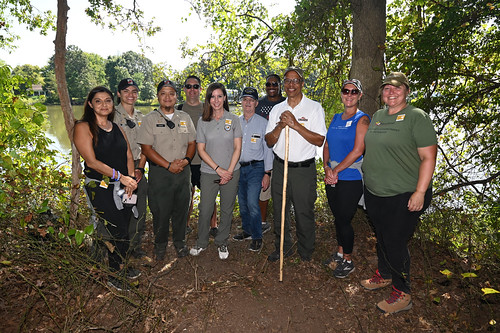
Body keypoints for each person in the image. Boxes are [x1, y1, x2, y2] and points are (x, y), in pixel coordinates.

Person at [360, 72, 437, 314]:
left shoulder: (417, 117)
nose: (391, 93)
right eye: (386, 89)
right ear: (381, 93)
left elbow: (428, 157)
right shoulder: (379, 117)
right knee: (382, 236)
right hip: (375, 192)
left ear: (406, 91)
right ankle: (384, 274)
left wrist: (420, 192)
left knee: (394, 241)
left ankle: (403, 292)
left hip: (404, 194)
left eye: (397, 88)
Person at [73, 86, 139, 291]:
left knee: (124, 228)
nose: (104, 105)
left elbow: (128, 154)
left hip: (124, 186)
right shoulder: (83, 127)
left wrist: (130, 181)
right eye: (98, 101)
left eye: (108, 100)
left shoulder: (117, 127)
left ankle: (120, 265)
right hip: (100, 187)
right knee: (115, 228)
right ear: (90, 104)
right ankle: (113, 274)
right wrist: (122, 178)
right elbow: (91, 162)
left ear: (113, 104)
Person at [265, 67, 327, 262]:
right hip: (280, 166)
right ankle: (283, 248)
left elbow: (319, 140)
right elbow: (269, 140)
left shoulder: (314, 107)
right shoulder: (277, 109)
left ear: (301, 84)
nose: (291, 85)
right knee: (279, 211)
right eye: (287, 81)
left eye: (295, 81)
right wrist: (281, 125)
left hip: (303, 169)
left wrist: (295, 125)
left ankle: (306, 251)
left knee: (303, 211)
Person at [137, 80, 196, 260]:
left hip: (183, 172)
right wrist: (168, 165)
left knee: (181, 210)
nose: (167, 97)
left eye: (171, 93)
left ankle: (180, 243)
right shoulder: (149, 120)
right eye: (163, 93)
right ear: (158, 96)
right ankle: (160, 245)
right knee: (160, 212)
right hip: (160, 174)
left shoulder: (185, 118)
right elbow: (146, 149)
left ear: (176, 96)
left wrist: (185, 161)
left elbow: (192, 143)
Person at [323, 79, 370, 278]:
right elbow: (326, 145)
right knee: (338, 218)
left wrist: (336, 171)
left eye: (354, 91)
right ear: (342, 94)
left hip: (350, 177)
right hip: (332, 175)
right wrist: (326, 168)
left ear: (360, 95)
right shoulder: (335, 118)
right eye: (346, 91)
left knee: (344, 219)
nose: (349, 95)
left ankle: (348, 261)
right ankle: (341, 253)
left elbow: (358, 149)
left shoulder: (363, 119)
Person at [189, 82, 242, 260]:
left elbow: (237, 148)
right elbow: (201, 150)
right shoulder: (203, 121)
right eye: (212, 96)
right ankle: (202, 241)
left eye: (220, 96)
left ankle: (222, 241)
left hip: (232, 172)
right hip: (209, 172)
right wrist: (219, 169)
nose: (216, 100)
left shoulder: (234, 119)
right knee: (205, 208)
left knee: (227, 209)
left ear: (225, 98)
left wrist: (229, 171)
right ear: (208, 99)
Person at [233, 87, 273, 252]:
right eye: (245, 99)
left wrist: (267, 173)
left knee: (252, 202)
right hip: (238, 168)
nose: (247, 103)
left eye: (251, 100)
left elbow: (268, 149)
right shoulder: (235, 122)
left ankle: (257, 236)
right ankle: (247, 230)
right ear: (241, 102)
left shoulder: (264, 123)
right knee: (242, 203)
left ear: (256, 103)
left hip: (257, 167)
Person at [114, 78, 149, 261]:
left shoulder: (142, 117)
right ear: (119, 93)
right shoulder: (110, 115)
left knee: (139, 207)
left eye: (134, 91)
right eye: (126, 91)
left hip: (138, 167)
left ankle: (134, 246)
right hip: (117, 169)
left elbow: (146, 146)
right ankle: (116, 247)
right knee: (119, 208)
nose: (131, 95)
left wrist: (140, 169)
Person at [179, 75, 218, 237]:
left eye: (196, 87)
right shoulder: (178, 110)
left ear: (201, 89)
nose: (192, 90)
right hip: (185, 161)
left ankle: (213, 226)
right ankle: (185, 224)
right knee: (186, 195)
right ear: (184, 90)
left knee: (209, 195)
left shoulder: (209, 109)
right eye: (189, 86)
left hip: (206, 161)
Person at [255, 74, 286, 233]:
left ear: (280, 85)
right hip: (263, 153)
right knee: (263, 191)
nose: (271, 86)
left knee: (282, 191)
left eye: (275, 84)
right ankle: (262, 223)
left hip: (282, 153)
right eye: (268, 84)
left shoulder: (286, 103)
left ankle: (282, 224)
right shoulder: (259, 104)